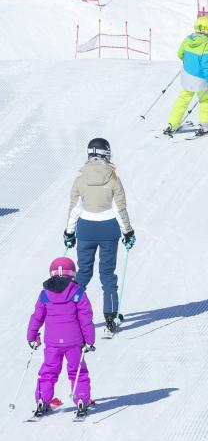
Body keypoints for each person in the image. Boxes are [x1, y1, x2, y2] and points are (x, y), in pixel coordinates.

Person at [63, 138, 136, 332]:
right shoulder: (113, 178)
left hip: (86, 230)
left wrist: (69, 232)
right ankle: (111, 315)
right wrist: (128, 231)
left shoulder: (80, 179)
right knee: (107, 274)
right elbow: (119, 209)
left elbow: (74, 209)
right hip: (108, 231)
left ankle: (69, 313)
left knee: (83, 273)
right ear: (107, 154)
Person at [27, 257, 95, 417]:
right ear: (72, 274)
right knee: (77, 370)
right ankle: (81, 399)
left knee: (49, 371)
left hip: (52, 342)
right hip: (74, 342)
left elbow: (37, 316)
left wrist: (32, 336)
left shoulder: (45, 294)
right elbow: (86, 318)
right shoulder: (78, 292)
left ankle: (42, 399)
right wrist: (89, 341)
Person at [163, 14, 208, 136]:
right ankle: (205, 125)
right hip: (201, 80)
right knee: (206, 100)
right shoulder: (207, 45)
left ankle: (172, 124)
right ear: (207, 30)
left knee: (182, 100)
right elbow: (205, 66)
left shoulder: (188, 39)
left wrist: (187, 61)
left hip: (187, 76)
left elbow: (180, 54)